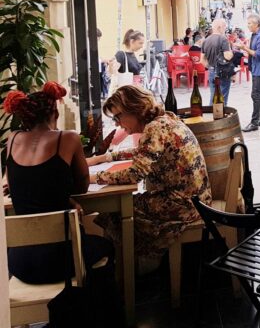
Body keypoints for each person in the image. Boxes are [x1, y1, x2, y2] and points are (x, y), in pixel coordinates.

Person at [3, 82, 114, 284]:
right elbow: (82, 186)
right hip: (61, 258)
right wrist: (67, 196)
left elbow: (14, 185)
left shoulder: (12, 139)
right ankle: (96, 308)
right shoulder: (68, 138)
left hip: (20, 263)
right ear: (55, 112)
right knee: (108, 246)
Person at [93, 85, 212, 274]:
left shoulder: (155, 128)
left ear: (135, 108)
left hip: (183, 206)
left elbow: (134, 174)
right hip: (197, 201)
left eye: (118, 117)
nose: (116, 123)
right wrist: (105, 158)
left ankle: (133, 267)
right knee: (124, 207)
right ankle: (140, 260)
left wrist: (93, 178)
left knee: (113, 211)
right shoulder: (165, 120)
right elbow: (144, 152)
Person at [237, 14, 260, 132]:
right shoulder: (255, 34)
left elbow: (259, 54)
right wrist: (244, 48)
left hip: (259, 69)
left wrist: (244, 48)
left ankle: (254, 122)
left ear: (257, 24)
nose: (248, 25)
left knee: (255, 94)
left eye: (250, 23)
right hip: (257, 68)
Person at [202, 18, 235, 105]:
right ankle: (221, 117)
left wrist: (210, 67)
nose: (225, 29)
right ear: (219, 27)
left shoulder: (205, 40)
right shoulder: (223, 39)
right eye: (224, 26)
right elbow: (227, 56)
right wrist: (231, 50)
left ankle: (210, 116)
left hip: (211, 72)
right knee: (222, 99)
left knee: (213, 97)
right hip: (222, 72)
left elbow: (202, 60)